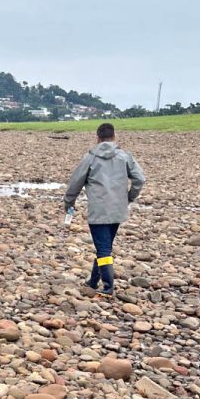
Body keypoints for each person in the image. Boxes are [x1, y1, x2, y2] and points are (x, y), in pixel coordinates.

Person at [64, 123, 145, 295]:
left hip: (99, 210)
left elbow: (75, 182)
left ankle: (108, 287)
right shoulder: (125, 156)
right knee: (104, 246)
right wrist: (129, 197)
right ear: (114, 137)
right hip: (118, 210)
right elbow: (140, 179)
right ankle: (93, 282)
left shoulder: (90, 158)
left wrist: (69, 202)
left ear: (98, 138)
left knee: (103, 248)